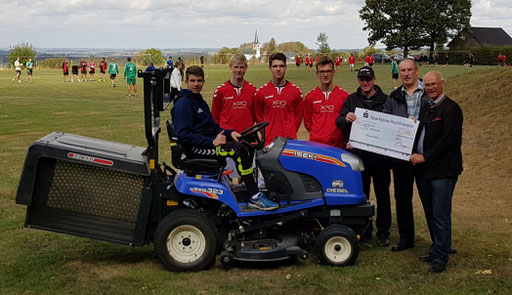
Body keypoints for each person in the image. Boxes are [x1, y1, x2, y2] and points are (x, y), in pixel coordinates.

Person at [171, 66, 278, 210]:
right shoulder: (184, 104)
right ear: (186, 81)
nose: (196, 84)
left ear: (203, 81)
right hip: (196, 149)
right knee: (238, 150)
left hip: (205, 143)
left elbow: (212, 127)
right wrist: (212, 142)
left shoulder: (198, 100)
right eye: (192, 81)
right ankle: (254, 195)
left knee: (245, 144)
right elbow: (183, 135)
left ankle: (253, 188)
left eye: (199, 81)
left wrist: (229, 133)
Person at [410, 71, 463, 273]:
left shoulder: (451, 109)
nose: (430, 88)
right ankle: (438, 248)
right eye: (427, 85)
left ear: (442, 84)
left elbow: (449, 141)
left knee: (441, 214)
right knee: (431, 212)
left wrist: (426, 156)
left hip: (443, 170)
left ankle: (441, 256)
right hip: (424, 171)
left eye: (434, 84)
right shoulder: (426, 107)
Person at [336, 66, 391, 247]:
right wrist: (346, 118)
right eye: (362, 79)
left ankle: (383, 233)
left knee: (383, 196)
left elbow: (393, 126)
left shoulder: (385, 100)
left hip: (380, 158)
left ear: (374, 80)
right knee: (362, 196)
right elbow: (339, 121)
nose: (365, 83)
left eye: (368, 79)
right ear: (358, 80)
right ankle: (364, 231)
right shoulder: (352, 99)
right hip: (359, 157)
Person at [383, 58, 430, 252]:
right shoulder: (394, 96)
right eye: (402, 70)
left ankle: (439, 240)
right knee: (402, 199)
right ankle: (406, 239)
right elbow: (386, 120)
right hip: (401, 155)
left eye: (409, 70)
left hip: (424, 154)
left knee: (430, 199)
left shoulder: (428, 92)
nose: (405, 74)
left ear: (417, 71)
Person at [254, 52, 303, 145]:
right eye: (275, 66)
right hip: (269, 141)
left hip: (289, 141)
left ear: (285, 68)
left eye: (281, 66)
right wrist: (266, 133)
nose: (278, 69)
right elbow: (259, 117)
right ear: (270, 68)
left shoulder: (296, 91)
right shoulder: (261, 92)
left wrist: (290, 133)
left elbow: (298, 117)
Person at [304, 56, 348, 149]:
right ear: (317, 73)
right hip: (316, 145)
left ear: (333, 73)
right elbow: (308, 123)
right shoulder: (310, 96)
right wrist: (318, 135)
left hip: (337, 146)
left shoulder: (344, 96)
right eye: (322, 72)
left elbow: (346, 123)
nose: (325, 75)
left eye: (328, 71)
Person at [212, 54, 256, 133]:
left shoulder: (253, 90)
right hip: (227, 136)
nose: (239, 70)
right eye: (236, 67)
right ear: (230, 67)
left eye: (242, 67)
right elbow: (215, 117)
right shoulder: (220, 90)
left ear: (246, 68)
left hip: (247, 135)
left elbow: (256, 115)